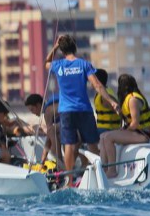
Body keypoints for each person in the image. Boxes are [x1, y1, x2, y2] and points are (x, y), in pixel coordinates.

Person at [45, 34, 118, 183]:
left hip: (66, 111)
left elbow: (46, 62)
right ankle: (100, 175)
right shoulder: (84, 65)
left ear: (62, 50)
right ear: (75, 48)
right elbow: (97, 85)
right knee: (92, 143)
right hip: (84, 109)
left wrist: (56, 46)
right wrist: (111, 101)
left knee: (69, 146)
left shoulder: (58, 65)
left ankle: (70, 180)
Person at [99, 74, 150, 179]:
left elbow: (135, 123)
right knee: (103, 136)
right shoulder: (128, 99)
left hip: (142, 135)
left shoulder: (133, 99)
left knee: (109, 137)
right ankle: (104, 168)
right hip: (134, 133)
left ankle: (112, 170)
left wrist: (123, 131)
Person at [24, 93, 60, 166]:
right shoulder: (51, 105)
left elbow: (49, 137)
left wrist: (42, 161)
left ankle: (60, 164)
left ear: (38, 105)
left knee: (53, 134)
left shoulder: (48, 111)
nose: (33, 113)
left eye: (32, 109)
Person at [93, 69, 122, 136]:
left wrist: (119, 129)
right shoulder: (102, 93)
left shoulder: (105, 97)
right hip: (103, 128)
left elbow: (120, 112)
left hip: (107, 130)